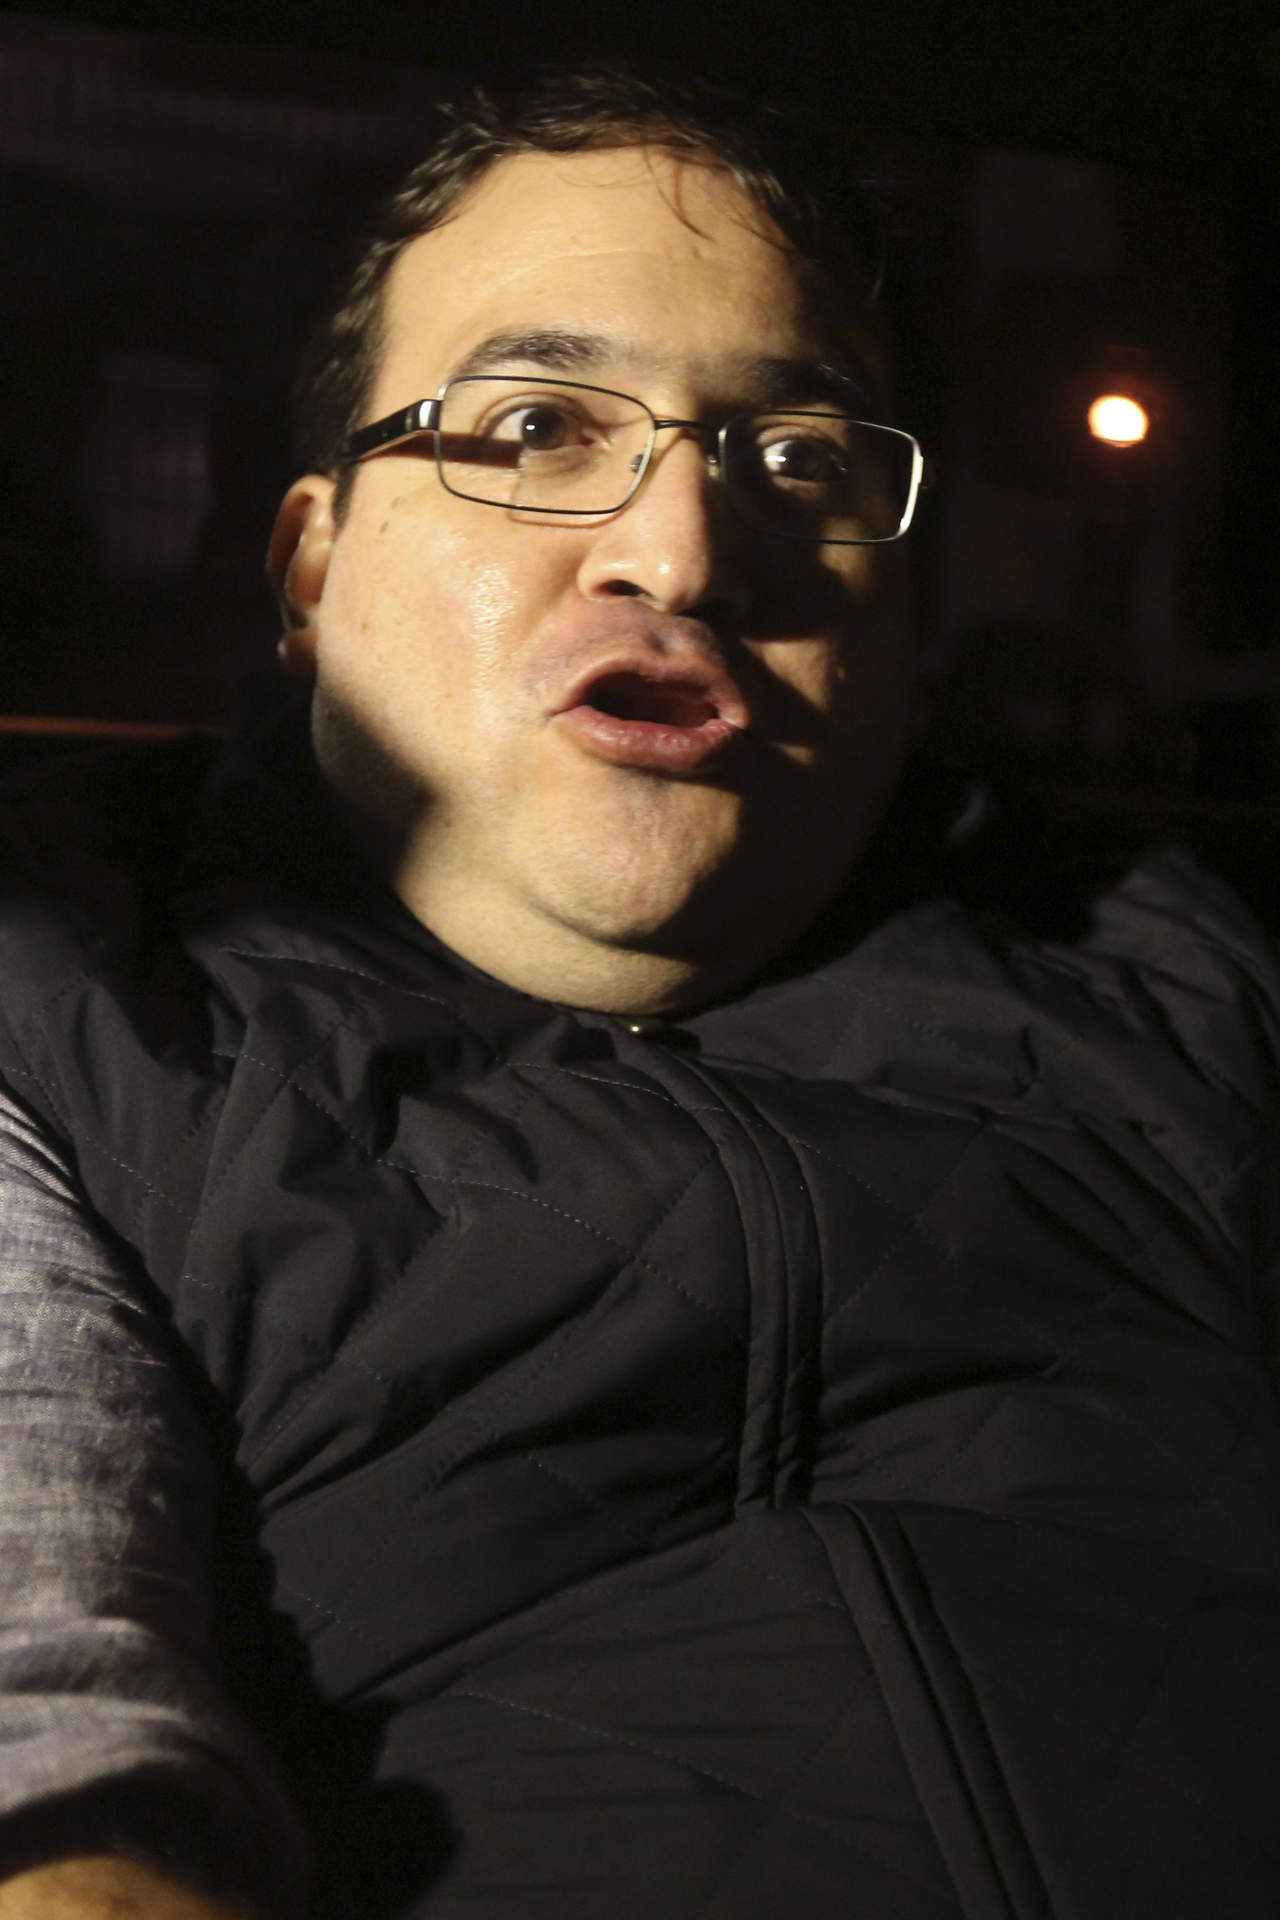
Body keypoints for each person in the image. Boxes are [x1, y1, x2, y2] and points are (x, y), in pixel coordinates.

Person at [1, 62, 1279, 1920]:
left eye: (802, 461)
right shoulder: (61, 992)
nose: (680, 552)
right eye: (531, 427)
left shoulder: (1188, 992)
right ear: (311, 568)